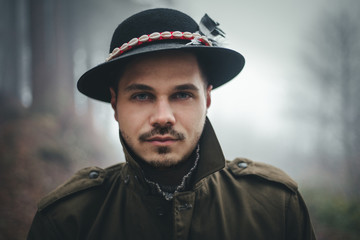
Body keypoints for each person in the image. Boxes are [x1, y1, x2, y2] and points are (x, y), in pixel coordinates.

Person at [27, 8, 316, 240]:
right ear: (115, 104)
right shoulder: (66, 221)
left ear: (208, 100)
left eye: (181, 94)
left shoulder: (275, 207)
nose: (163, 116)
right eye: (142, 95)